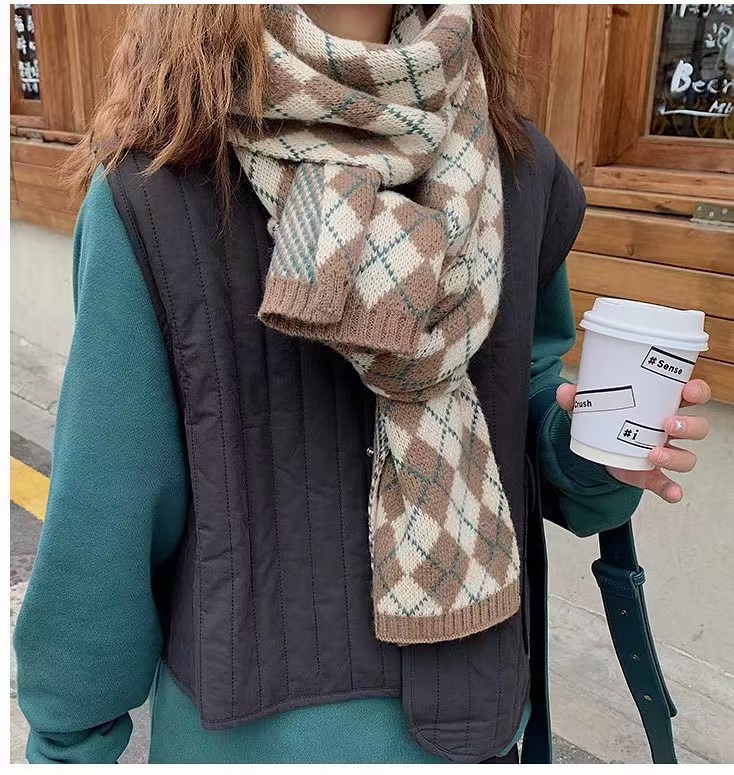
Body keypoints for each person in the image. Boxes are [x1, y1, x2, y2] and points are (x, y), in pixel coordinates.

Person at [14, 4, 711, 765]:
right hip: (259, 744)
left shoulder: (515, 167)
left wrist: (602, 451)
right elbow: (106, 512)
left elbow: (525, 409)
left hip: (478, 723)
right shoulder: (163, 182)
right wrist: (68, 745)